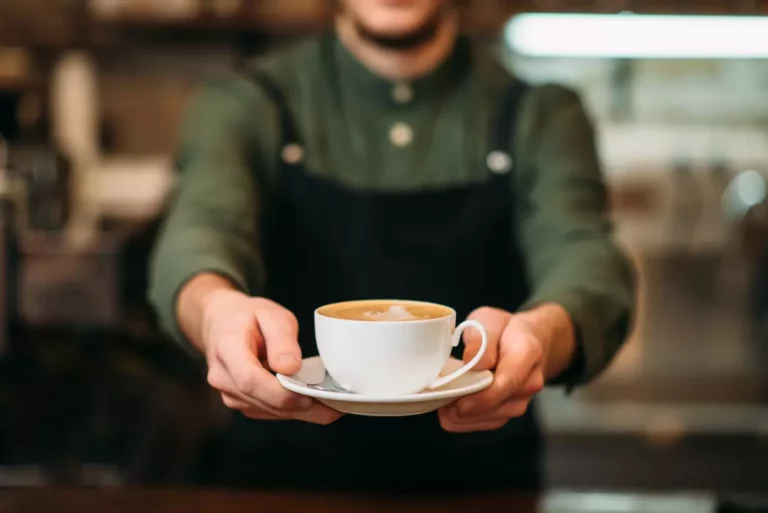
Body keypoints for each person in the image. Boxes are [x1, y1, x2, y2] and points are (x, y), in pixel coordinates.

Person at [149, 0, 636, 493]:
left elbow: (585, 255)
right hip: (285, 485)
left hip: (482, 486)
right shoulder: (245, 103)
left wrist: (544, 334)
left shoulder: (542, 112)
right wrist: (216, 310)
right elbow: (199, 231)